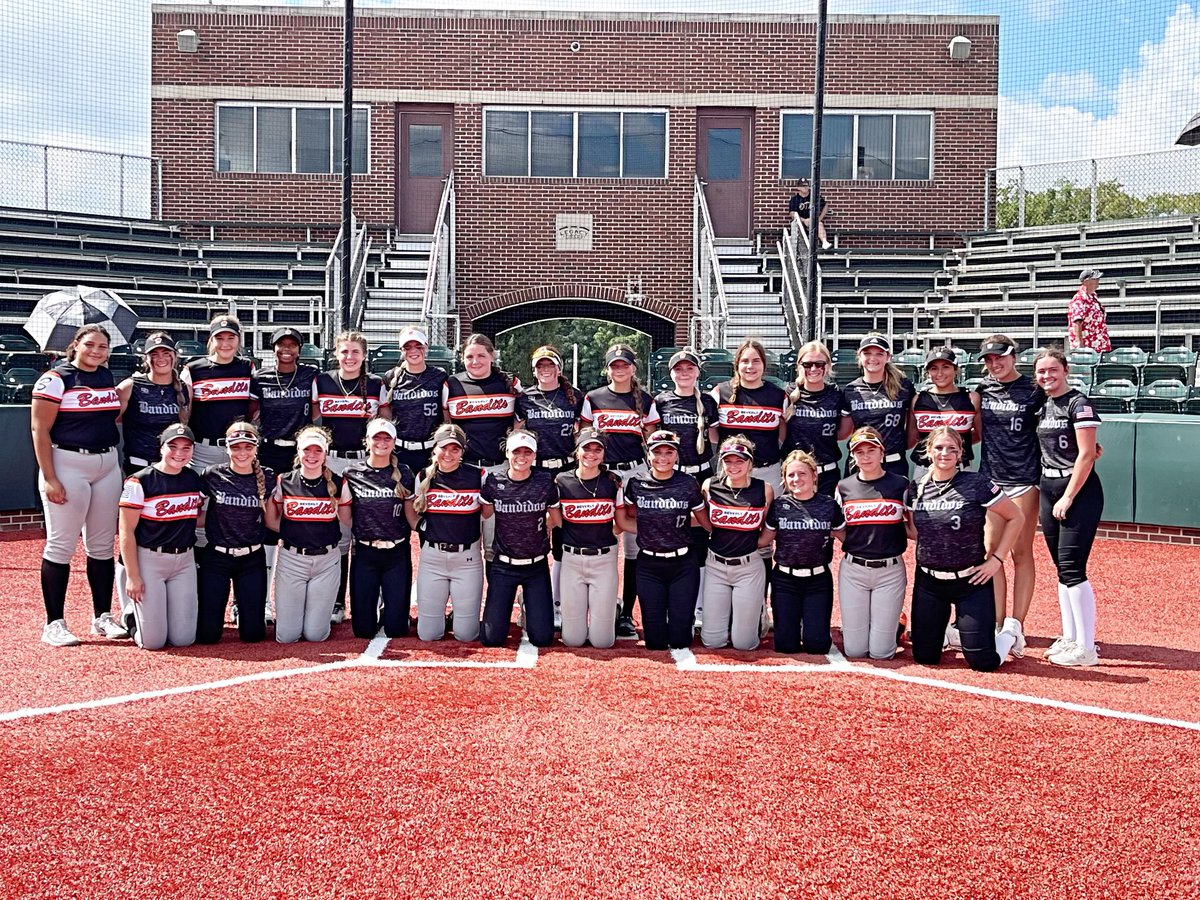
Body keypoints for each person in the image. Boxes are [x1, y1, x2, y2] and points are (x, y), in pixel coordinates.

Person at [31, 324, 126, 646]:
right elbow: (39, 430)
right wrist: (50, 477)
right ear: (75, 345)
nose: (96, 351)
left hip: (107, 464)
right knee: (61, 546)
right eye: (90, 345)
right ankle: (53, 623)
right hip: (67, 463)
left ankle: (102, 616)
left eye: (103, 346)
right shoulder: (56, 378)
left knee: (101, 546)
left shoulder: (106, 377)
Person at [908, 426, 1025, 672]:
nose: (945, 453)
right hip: (929, 582)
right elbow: (916, 532)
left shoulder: (976, 483)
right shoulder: (916, 488)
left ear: (961, 453)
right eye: (939, 447)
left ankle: (1010, 633)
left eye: (952, 448)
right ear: (929, 451)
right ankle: (948, 632)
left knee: (984, 662)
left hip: (970, 581)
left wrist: (996, 559)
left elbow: (1016, 517)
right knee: (925, 658)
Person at [970, 334, 1045, 657]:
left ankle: (1017, 624)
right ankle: (999, 620)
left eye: (999, 358)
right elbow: (974, 432)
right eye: (988, 360)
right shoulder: (982, 390)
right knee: (991, 552)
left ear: (1014, 356)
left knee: (1020, 552)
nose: (994, 364)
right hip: (991, 479)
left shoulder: (1033, 391)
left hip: (1024, 479)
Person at [579, 343, 660, 639]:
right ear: (607, 368)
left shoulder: (646, 400)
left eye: (624, 364)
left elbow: (652, 443)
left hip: (636, 473)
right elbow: (585, 436)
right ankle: (599, 608)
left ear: (633, 367)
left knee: (634, 547)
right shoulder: (594, 398)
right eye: (614, 365)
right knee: (600, 538)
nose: (620, 369)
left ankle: (626, 612)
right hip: (603, 473)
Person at [313, 330, 388, 625]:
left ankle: (378, 599)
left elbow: (385, 421)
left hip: (363, 460)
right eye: (344, 352)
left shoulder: (376, 385)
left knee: (370, 527)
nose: (350, 357)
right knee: (338, 533)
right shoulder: (323, 381)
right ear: (336, 353)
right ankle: (336, 601)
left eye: (356, 352)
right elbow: (314, 420)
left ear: (365, 355)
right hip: (331, 460)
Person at [1035, 348, 1104, 667]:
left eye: (1052, 370)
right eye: (1041, 371)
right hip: (1048, 485)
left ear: (1065, 370)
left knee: (1073, 568)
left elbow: (1087, 454)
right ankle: (1071, 636)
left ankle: (1087, 647)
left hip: (1077, 490)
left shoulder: (1078, 402)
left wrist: (1068, 497)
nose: (1046, 376)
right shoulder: (1043, 403)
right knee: (1062, 569)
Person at [118, 423, 204, 650]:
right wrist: (133, 576)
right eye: (172, 446)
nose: (179, 453)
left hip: (184, 560)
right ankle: (129, 617)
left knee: (184, 640)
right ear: (161, 447)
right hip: (150, 560)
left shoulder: (193, 479)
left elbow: (196, 517)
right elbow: (126, 532)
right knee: (153, 642)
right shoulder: (140, 481)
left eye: (186, 448)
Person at [622, 430, 709, 651]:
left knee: (681, 640)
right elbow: (631, 515)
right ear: (648, 455)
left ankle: (685, 623)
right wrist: (651, 529)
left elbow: (704, 521)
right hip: (649, 564)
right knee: (655, 642)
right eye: (657, 452)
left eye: (669, 452)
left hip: (683, 563)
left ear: (677, 455)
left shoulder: (688, 483)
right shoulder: (636, 483)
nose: (663, 457)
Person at [263, 426, 351, 644]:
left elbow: (347, 520)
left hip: (326, 562)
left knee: (315, 635)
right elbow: (271, 520)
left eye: (317, 451)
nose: (312, 456)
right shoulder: (284, 481)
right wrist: (295, 533)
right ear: (298, 452)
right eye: (306, 450)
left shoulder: (340, 484)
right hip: (292, 560)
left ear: (325, 454)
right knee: (287, 636)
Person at [516, 345, 582, 627]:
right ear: (534, 370)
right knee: (529, 532)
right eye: (540, 366)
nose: (545, 370)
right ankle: (526, 601)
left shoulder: (575, 397)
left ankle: (559, 601)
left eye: (550, 365)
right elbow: (517, 434)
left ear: (559, 368)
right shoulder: (525, 398)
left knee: (563, 535)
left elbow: (581, 433)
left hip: (566, 470)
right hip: (536, 470)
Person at [653, 347, 719, 630]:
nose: (684, 373)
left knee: (700, 537)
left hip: (701, 474)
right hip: (672, 476)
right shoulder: (661, 401)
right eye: (679, 369)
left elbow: (715, 438)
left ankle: (701, 605)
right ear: (671, 373)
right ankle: (673, 603)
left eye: (689, 368)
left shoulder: (707, 402)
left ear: (697, 372)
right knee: (673, 536)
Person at [479, 430, 561, 648]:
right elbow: (485, 513)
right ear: (507, 453)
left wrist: (539, 526)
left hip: (536, 566)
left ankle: (530, 608)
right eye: (516, 451)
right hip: (504, 565)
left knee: (542, 639)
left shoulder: (544, 481)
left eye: (527, 452)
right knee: (492, 638)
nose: (521, 457)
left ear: (534, 455)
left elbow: (556, 518)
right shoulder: (494, 481)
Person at [836, 426, 912, 659]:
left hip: (889, 570)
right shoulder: (843, 487)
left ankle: (895, 624)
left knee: (881, 653)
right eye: (860, 452)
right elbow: (839, 529)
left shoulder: (901, 485)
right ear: (853, 456)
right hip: (854, 570)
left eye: (871, 450)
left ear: (882, 453)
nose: (866, 456)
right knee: (855, 650)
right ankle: (886, 622)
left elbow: (912, 528)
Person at [758, 450, 845, 654]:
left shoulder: (828, 505)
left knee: (817, 645)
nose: (796, 479)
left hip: (818, 580)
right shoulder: (779, 506)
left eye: (802, 473)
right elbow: (764, 540)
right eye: (791, 475)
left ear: (814, 475)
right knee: (786, 646)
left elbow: (845, 536)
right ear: (784, 479)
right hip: (785, 581)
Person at [444, 333, 519, 564]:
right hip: (465, 470)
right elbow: (448, 426)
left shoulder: (509, 383)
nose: (475, 361)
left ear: (492, 356)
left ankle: (496, 599)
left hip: (500, 469)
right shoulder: (452, 384)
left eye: (481, 356)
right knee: (465, 542)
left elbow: (519, 424)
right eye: (469, 356)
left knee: (495, 545)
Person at [341, 417, 417, 640]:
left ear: (394, 442)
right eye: (376, 437)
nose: (381, 442)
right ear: (366, 441)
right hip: (365, 553)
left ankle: (392, 609)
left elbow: (411, 515)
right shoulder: (351, 474)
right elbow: (345, 517)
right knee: (363, 631)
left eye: (387, 438)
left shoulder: (405, 473)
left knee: (397, 630)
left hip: (397, 553)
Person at [196, 421, 271, 644]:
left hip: (252, 558)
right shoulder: (211, 475)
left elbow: (274, 517)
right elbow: (193, 511)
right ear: (227, 448)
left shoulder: (267, 477)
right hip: (217, 557)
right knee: (207, 636)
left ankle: (245, 612)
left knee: (253, 635)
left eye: (248, 447)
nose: (242, 452)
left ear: (256, 448)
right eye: (236, 447)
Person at [555, 429, 629, 649]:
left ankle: (611, 608)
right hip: (572, 559)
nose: (592, 453)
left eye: (598, 449)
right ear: (577, 451)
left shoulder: (613, 482)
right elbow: (555, 521)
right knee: (572, 641)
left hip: (603, 560)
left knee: (602, 642)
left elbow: (621, 523)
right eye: (587, 448)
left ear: (604, 454)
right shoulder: (562, 481)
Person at [411, 424, 485, 642]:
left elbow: (488, 514)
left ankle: (458, 617)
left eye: (455, 449)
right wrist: (420, 527)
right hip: (432, 559)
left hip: (467, 560)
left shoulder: (478, 476)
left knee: (466, 635)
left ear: (463, 451)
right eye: (444, 448)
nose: (449, 454)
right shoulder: (424, 476)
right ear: (434, 449)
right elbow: (411, 508)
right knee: (428, 634)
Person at [700, 436, 772, 651]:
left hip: (749, 567)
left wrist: (755, 546)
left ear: (750, 463)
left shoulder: (763, 489)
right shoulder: (710, 485)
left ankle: (757, 612)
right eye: (728, 461)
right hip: (716, 566)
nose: (733, 466)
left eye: (739, 461)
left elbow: (770, 526)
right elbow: (703, 519)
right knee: (712, 642)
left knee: (744, 643)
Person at [181, 314, 255, 473]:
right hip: (203, 451)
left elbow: (254, 407)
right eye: (219, 338)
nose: (225, 344)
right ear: (211, 340)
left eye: (231, 338)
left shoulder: (247, 367)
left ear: (238, 340)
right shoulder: (193, 369)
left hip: (238, 450)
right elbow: (185, 412)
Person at [839, 333, 915, 479]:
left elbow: (912, 432)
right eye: (867, 353)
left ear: (888, 357)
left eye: (879, 354)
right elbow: (845, 431)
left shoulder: (904, 386)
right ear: (859, 356)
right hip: (860, 464)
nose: (873, 358)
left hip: (893, 464)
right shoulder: (851, 390)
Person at [116, 331, 190, 477]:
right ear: (146, 359)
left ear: (175, 356)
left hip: (173, 467)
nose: (160, 358)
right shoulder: (130, 386)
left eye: (166, 353)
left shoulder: (184, 388)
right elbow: (112, 421)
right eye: (154, 354)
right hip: (138, 466)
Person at [250, 327, 319, 478]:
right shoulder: (259, 377)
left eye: (292, 345)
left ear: (299, 350)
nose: (286, 348)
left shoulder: (310, 374)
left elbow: (317, 410)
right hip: (269, 449)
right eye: (281, 344)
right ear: (273, 348)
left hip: (300, 449)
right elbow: (252, 412)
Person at [382, 325, 447, 473]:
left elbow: (446, 415)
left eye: (418, 346)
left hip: (431, 451)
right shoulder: (391, 377)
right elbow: (386, 414)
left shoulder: (439, 376)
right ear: (401, 351)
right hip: (399, 451)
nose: (413, 351)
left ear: (426, 347)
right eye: (407, 347)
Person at [782, 340, 842, 497]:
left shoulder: (836, 395)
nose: (813, 369)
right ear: (799, 366)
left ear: (827, 366)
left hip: (827, 475)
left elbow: (843, 432)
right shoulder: (788, 395)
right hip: (795, 477)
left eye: (819, 364)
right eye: (807, 364)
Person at [908, 347, 976, 482]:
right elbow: (912, 438)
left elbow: (980, 434)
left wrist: (957, 443)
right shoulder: (917, 399)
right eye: (934, 368)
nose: (940, 373)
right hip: (925, 469)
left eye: (946, 367)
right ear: (927, 372)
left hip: (961, 468)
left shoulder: (971, 398)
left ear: (956, 369)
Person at [1068, 268, 1111, 353]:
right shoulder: (1079, 299)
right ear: (1087, 282)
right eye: (1095, 279)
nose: (1098, 281)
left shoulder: (1093, 297)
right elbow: (1077, 322)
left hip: (1098, 346)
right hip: (1088, 348)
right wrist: (1080, 346)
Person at [787, 178, 832, 250]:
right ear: (798, 188)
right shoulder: (795, 199)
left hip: (813, 221)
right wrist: (804, 220)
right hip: (800, 222)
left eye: (806, 185)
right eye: (802, 186)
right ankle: (800, 248)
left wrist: (819, 219)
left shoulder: (814, 197)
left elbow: (825, 206)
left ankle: (824, 242)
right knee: (798, 227)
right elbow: (792, 213)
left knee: (819, 224)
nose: (805, 187)